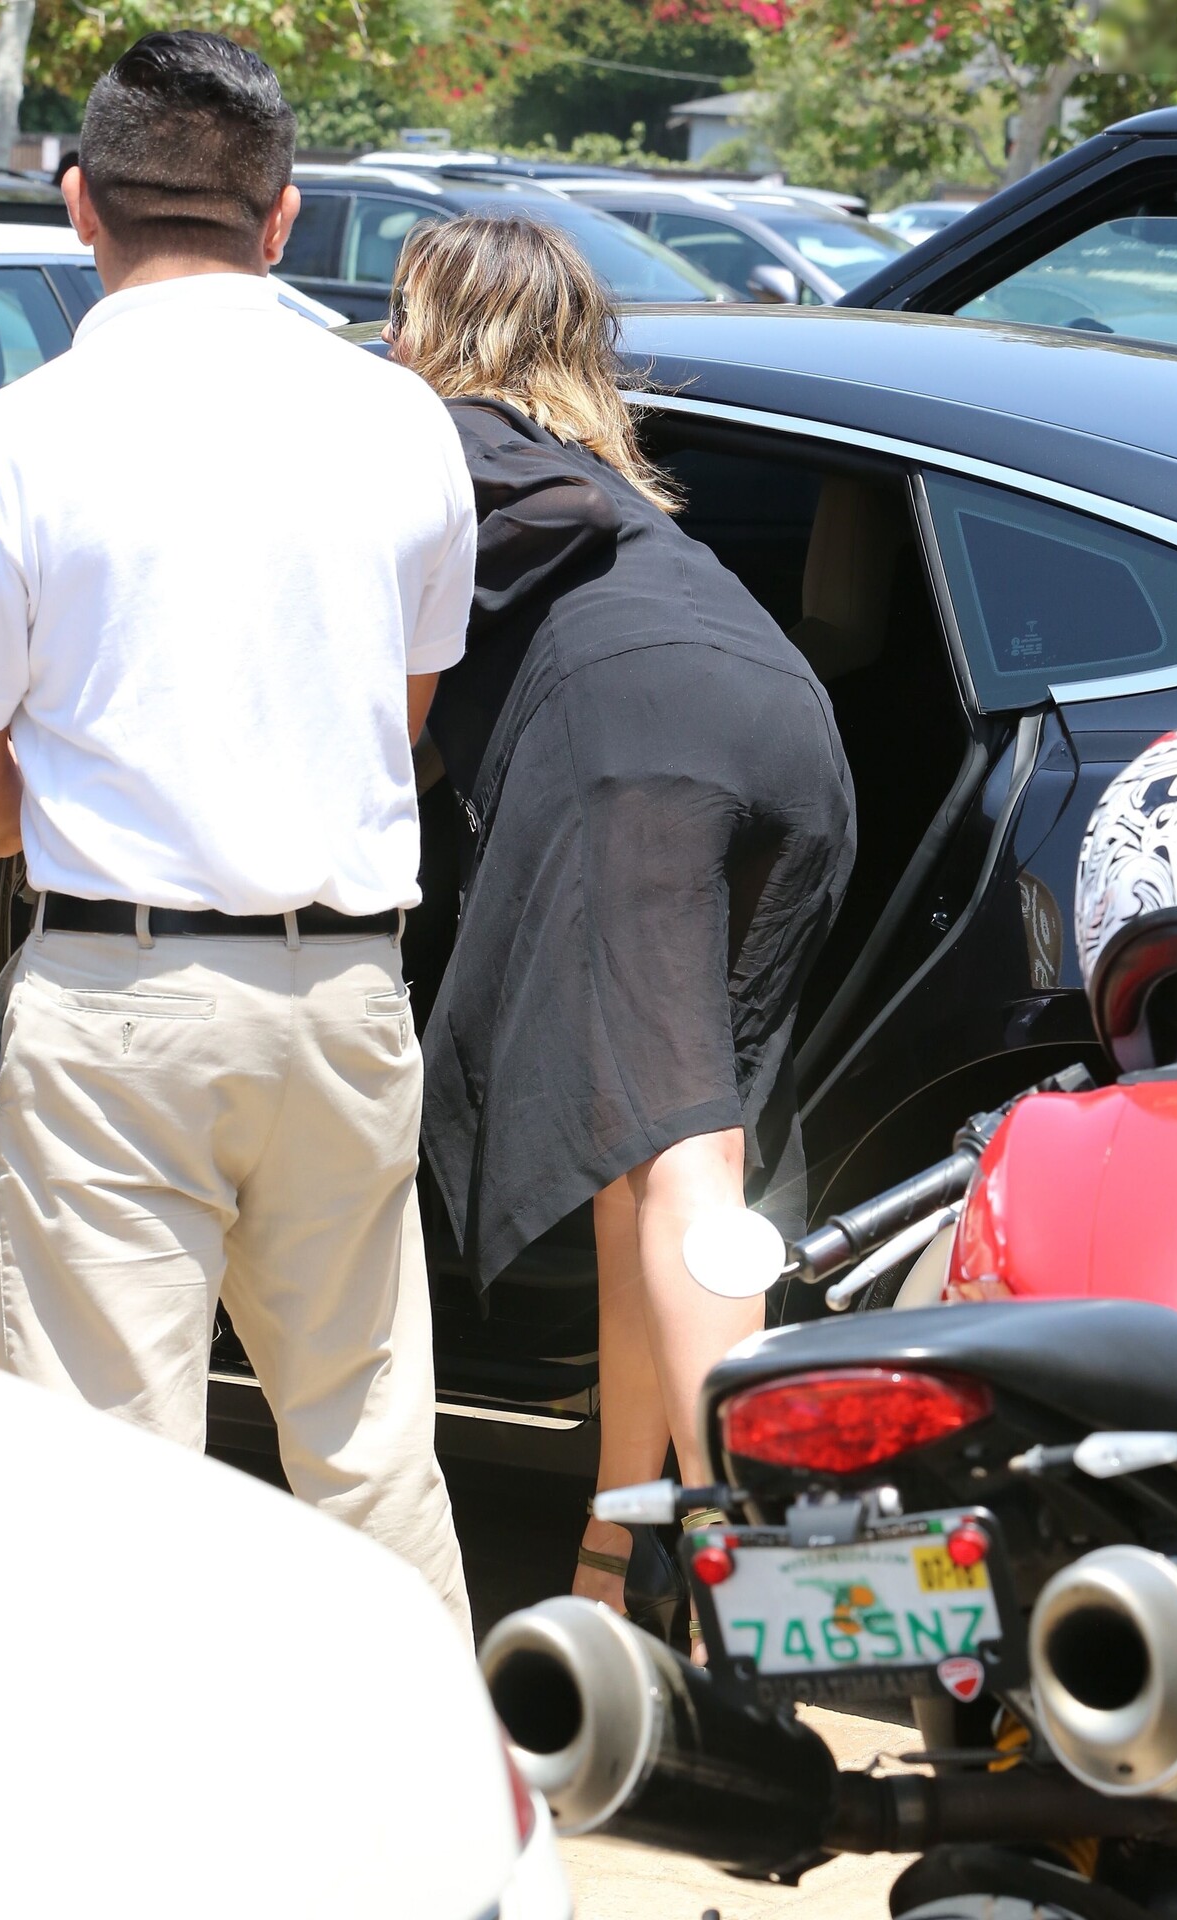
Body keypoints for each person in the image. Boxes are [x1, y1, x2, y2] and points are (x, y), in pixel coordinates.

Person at [0, 32, 475, 1635]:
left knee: (103, 1469)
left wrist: (61, 833)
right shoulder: (401, 423)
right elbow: (405, 713)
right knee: (370, 1446)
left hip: (119, 993)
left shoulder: (12, 439)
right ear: (282, 216)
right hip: (343, 993)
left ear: (78, 203)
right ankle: (425, 1777)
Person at [386, 214, 856, 1648]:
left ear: (431, 325)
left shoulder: (428, 442)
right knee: (647, 1167)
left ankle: (761, 1594)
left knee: (683, 1167)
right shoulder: (596, 475)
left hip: (638, 752)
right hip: (786, 729)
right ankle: (618, 1548)